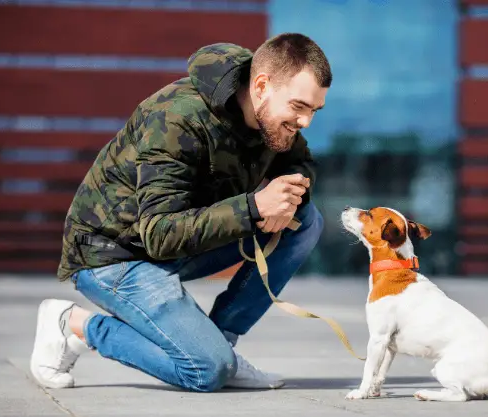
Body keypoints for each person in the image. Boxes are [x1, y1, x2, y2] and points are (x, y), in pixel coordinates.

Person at [29, 33, 331, 393]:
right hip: (114, 256)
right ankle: (74, 325)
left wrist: (287, 194)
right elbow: (158, 233)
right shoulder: (176, 118)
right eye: (299, 107)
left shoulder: (273, 120)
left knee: (305, 220)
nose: (306, 121)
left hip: (178, 245)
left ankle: (221, 342)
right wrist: (253, 208)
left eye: (314, 110)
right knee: (205, 372)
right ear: (262, 85)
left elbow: (301, 163)